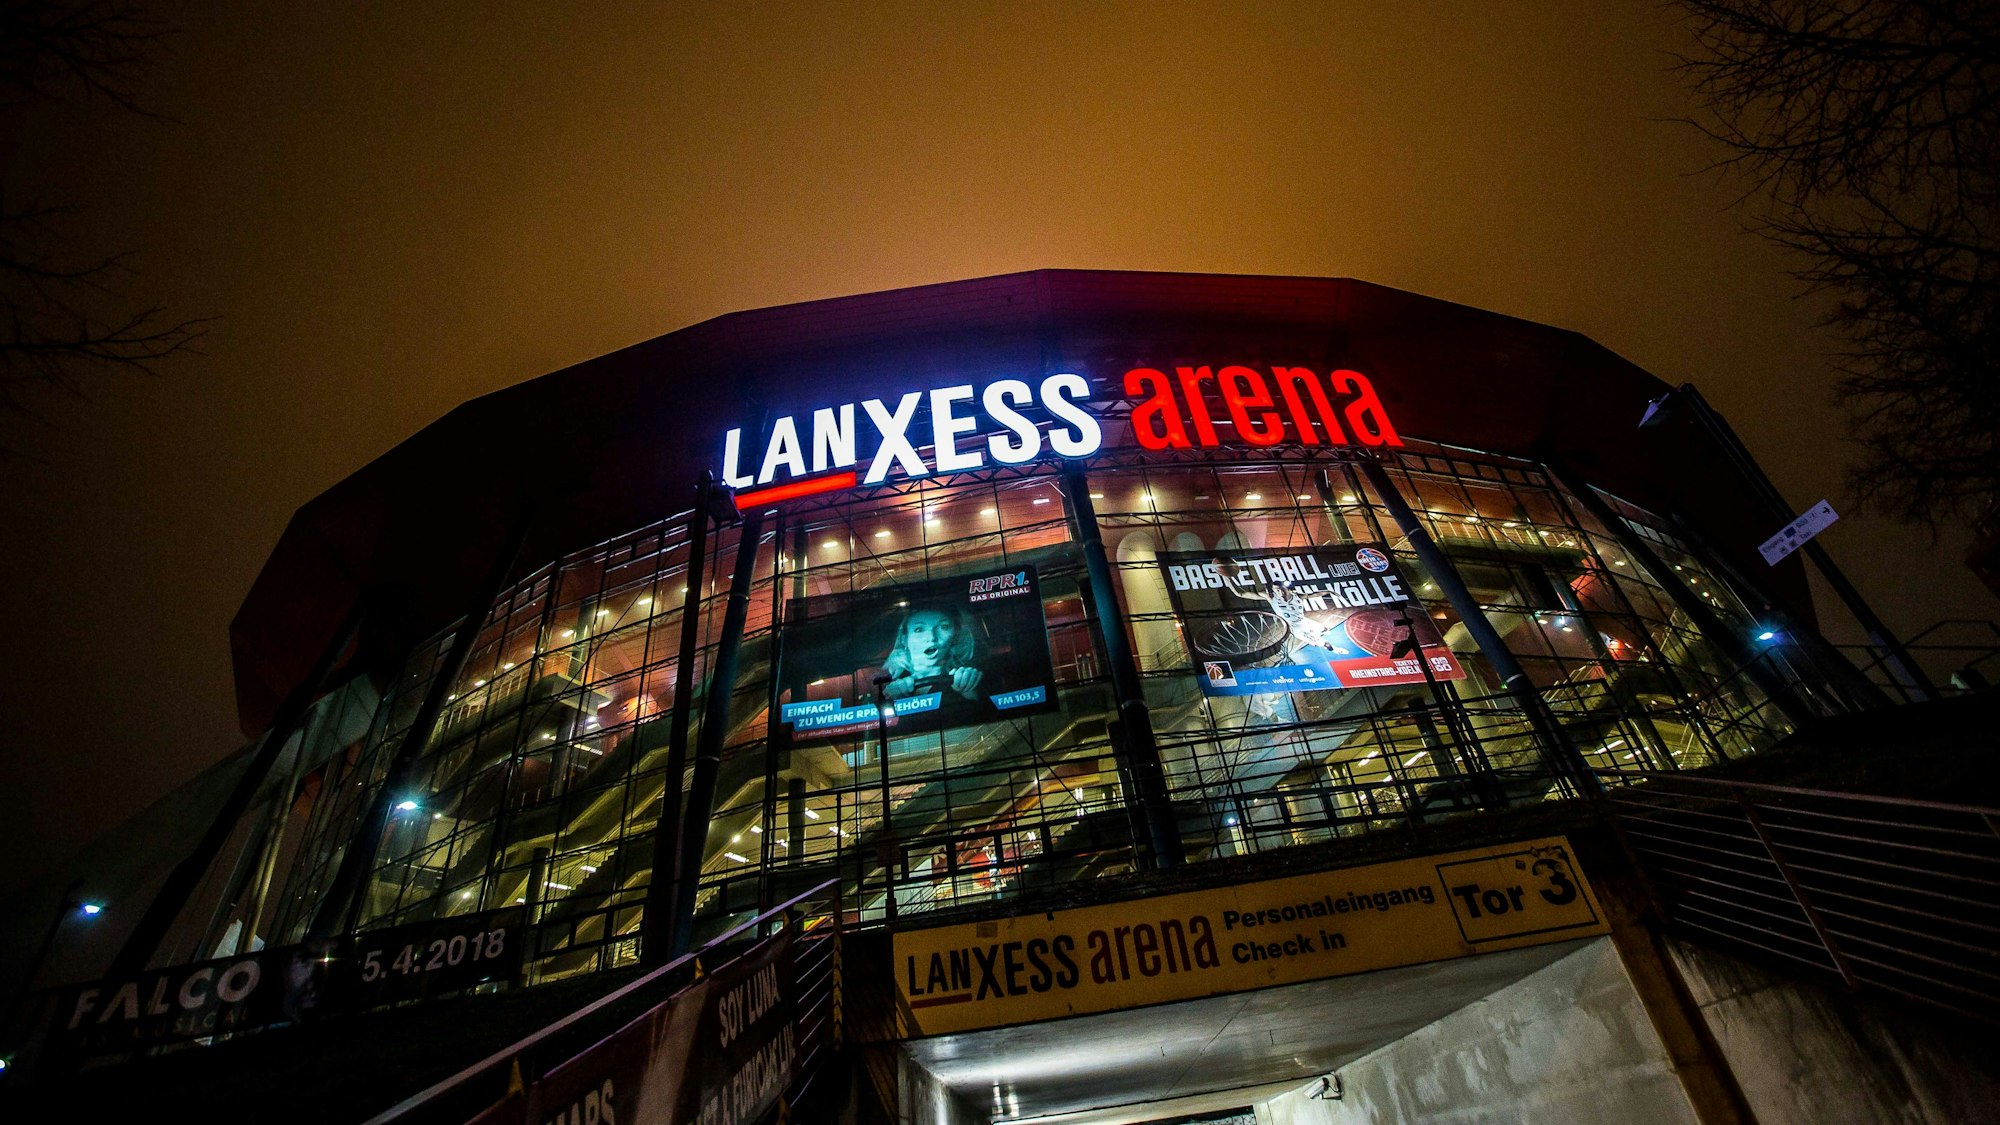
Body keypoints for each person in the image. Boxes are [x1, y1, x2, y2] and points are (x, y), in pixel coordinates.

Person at [880, 603, 984, 702]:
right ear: (904, 639)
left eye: (943, 627)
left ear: (955, 636)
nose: (931, 637)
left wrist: (968, 688)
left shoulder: (963, 677)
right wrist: (891, 699)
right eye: (919, 629)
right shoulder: (887, 680)